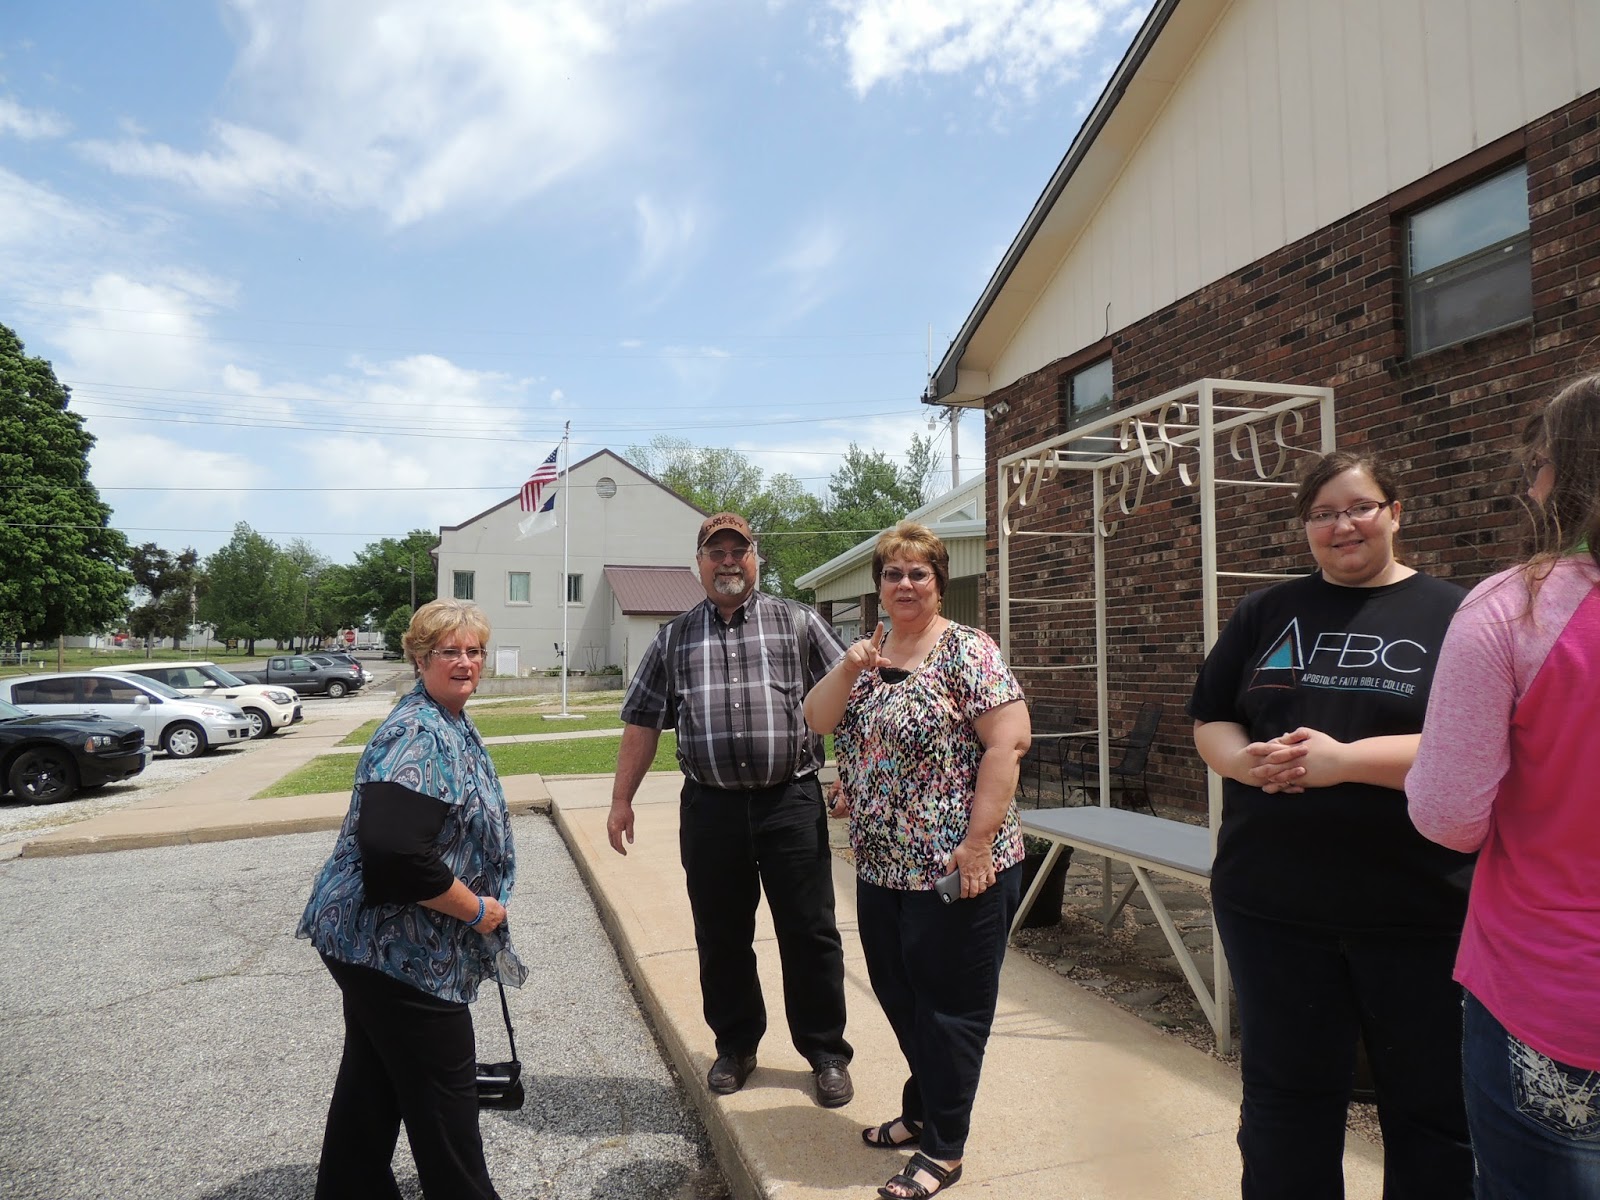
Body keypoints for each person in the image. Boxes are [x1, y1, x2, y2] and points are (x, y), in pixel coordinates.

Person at [1186, 451, 1474, 1200]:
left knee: (1435, 1110)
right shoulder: (1266, 611)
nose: (1343, 525)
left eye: (1360, 507)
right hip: (1272, 907)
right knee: (1284, 1104)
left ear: (1395, 513)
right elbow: (1211, 716)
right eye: (1322, 514)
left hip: (1420, 910)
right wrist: (1245, 762)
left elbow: (1475, 744)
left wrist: (1344, 762)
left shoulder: (1458, 615)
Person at [1408, 375, 1600, 1199]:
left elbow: (1448, 816)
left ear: (1570, 470)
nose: (1530, 485)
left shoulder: (1513, 608)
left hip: (1553, 994)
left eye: (1539, 463)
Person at [804, 521, 1031, 1200]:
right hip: (880, 866)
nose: (904, 584)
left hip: (958, 869)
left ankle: (944, 1149)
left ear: (938, 581)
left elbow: (1009, 743)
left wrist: (979, 843)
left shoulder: (967, 650)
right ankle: (924, 1109)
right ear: (879, 586)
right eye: (893, 574)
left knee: (951, 1010)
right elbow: (818, 720)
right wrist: (849, 670)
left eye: (918, 573)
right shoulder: (870, 655)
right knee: (902, 997)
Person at [607, 512, 855, 1107]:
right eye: (714, 552)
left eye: (737, 551)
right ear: (698, 564)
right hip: (711, 810)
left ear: (755, 558)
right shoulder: (672, 638)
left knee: (810, 932)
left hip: (791, 802)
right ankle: (737, 1046)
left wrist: (852, 771)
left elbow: (855, 693)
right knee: (721, 936)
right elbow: (642, 720)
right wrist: (620, 799)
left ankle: (825, 1051)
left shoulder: (798, 623)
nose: (727, 562)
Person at [298, 598, 525, 1200]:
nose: (465, 662)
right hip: (394, 948)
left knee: (372, 1079)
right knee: (443, 1098)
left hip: (373, 945)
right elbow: (394, 853)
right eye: (449, 651)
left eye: (474, 651)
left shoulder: (447, 719)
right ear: (420, 659)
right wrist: (478, 911)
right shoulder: (418, 733)